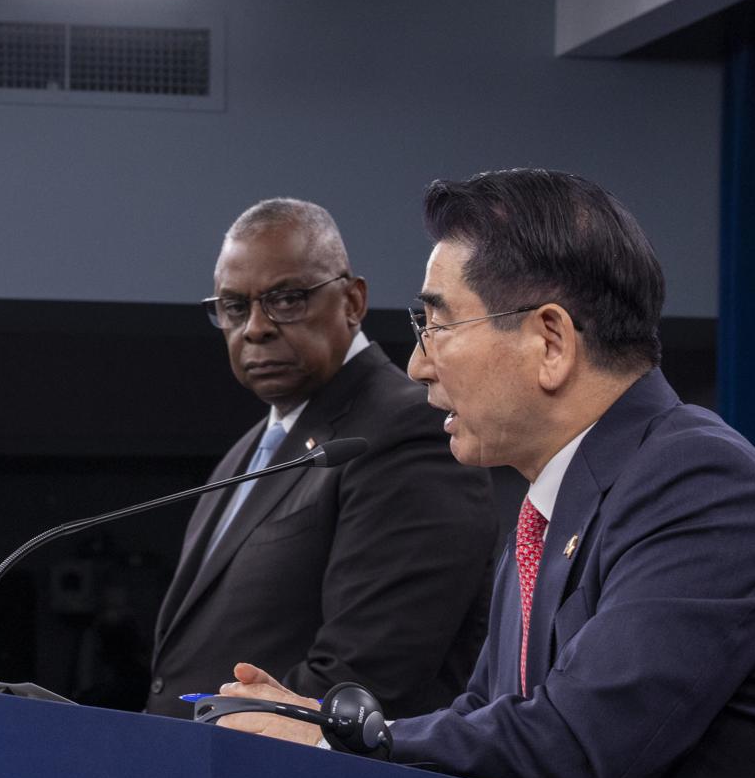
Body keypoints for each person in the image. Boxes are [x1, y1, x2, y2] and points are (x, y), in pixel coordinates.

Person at [214, 169, 755, 778]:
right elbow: (482, 721)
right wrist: (317, 725)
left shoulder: (700, 484)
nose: (418, 365)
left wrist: (334, 742)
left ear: (550, 342)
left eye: (437, 326)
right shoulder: (545, 508)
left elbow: (582, 741)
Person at [147, 199, 498, 717]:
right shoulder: (245, 454)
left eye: (286, 299)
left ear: (353, 302)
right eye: (234, 307)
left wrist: (195, 743)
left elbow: (364, 676)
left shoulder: (408, 431)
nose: (256, 328)